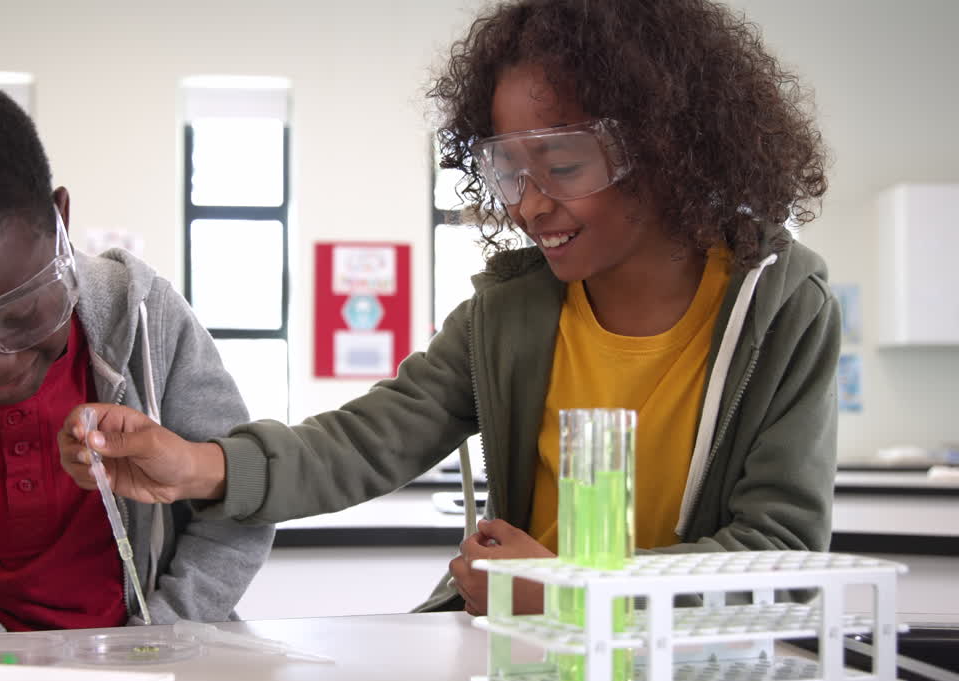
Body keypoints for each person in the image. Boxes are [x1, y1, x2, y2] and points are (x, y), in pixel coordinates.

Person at [60, 0, 839, 617]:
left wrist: (582, 589)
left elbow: (781, 554)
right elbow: (369, 441)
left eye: (563, 164)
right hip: (524, 654)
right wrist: (197, 464)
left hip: (694, 668)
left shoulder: (781, 310)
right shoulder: (512, 311)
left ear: (668, 148)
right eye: (506, 169)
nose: (530, 205)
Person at [0, 77, 273, 631]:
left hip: (175, 665)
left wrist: (160, 638)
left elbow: (240, 499)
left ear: (59, 220)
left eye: (20, 314)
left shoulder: (146, 316)